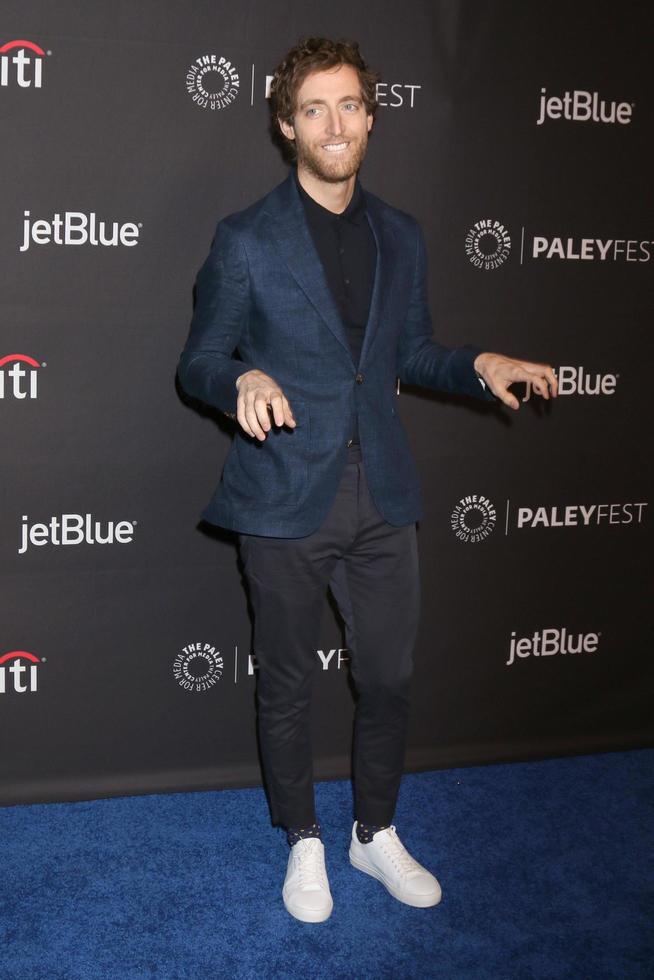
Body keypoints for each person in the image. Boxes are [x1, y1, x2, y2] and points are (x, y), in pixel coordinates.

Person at [177, 36, 557, 924]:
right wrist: (241, 380)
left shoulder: (401, 234)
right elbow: (197, 359)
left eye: (349, 105)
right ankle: (305, 837)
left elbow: (413, 352)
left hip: (382, 492)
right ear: (286, 125)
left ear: (372, 117)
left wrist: (478, 363)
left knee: (387, 678)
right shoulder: (244, 239)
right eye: (314, 108)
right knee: (287, 683)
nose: (334, 123)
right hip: (282, 496)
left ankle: (372, 830)